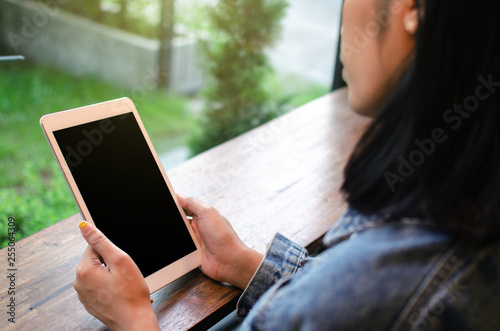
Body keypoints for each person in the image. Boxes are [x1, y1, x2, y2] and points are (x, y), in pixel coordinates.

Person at [73, 0, 500, 329]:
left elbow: (348, 297)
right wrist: (242, 263)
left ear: (411, 10)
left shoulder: (391, 271)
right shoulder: (459, 194)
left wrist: (134, 320)